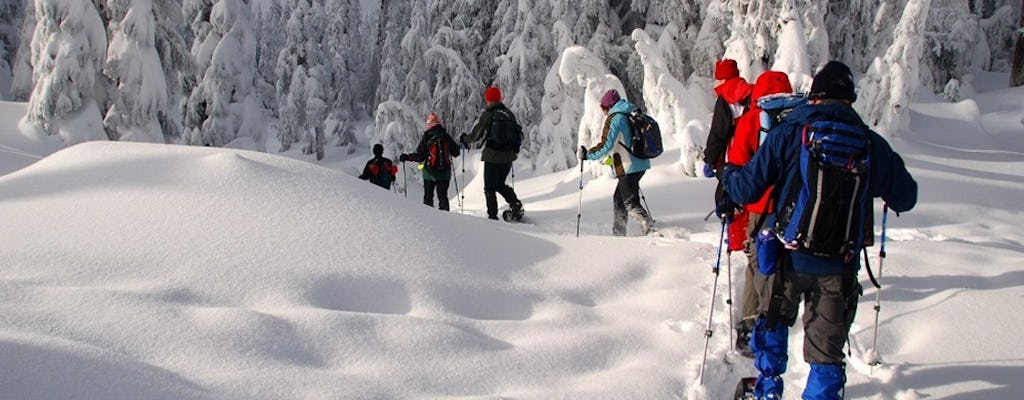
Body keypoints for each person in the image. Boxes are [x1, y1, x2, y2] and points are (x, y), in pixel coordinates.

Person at [720, 61, 917, 400]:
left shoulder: (789, 133)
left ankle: (767, 390)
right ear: (850, 100)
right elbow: (906, 197)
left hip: (786, 257)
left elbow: (746, 189)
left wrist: (728, 178)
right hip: (839, 264)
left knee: (774, 325)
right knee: (827, 352)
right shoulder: (870, 144)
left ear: (813, 98)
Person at [725, 70, 794, 356]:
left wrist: (731, 192)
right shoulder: (796, 121)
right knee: (785, 260)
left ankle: (752, 321)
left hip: (759, 204)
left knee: (757, 261)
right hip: (790, 205)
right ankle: (777, 316)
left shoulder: (751, 119)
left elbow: (738, 160)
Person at [577, 89, 655, 236]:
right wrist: (611, 160)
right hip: (640, 163)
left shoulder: (616, 118)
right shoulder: (631, 112)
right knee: (620, 199)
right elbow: (624, 142)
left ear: (609, 106)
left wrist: (588, 154)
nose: (604, 112)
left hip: (628, 166)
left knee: (629, 202)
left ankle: (649, 228)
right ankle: (619, 232)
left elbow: (606, 145)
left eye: (604, 109)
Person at [461, 86, 524, 220]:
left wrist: (465, 139)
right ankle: (515, 204)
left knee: (490, 189)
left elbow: (477, 134)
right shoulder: (508, 113)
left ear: (489, 99)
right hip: (508, 156)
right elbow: (518, 132)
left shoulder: (489, 114)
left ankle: (492, 217)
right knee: (500, 184)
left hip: (492, 156)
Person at [399, 113, 461, 211]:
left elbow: (420, 156)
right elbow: (456, 153)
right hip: (445, 172)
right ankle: (446, 220)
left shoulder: (427, 137)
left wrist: (407, 157)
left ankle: (429, 220)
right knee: (443, 197)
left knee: (428, 197)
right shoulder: (446, 136)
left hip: (429, 172)